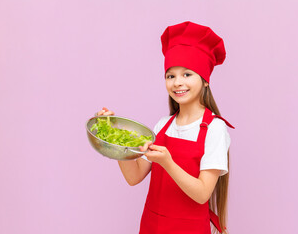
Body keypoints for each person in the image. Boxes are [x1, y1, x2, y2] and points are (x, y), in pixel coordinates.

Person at [96, 21, 235, 234]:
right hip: (153, 227)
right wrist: (113, 137)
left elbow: (202, 194)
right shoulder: (163, 125)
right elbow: (133, 177)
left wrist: (168, 163)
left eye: (187, 74)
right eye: (171, 76)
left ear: (205, 80)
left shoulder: (215, 129)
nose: (177, 82)